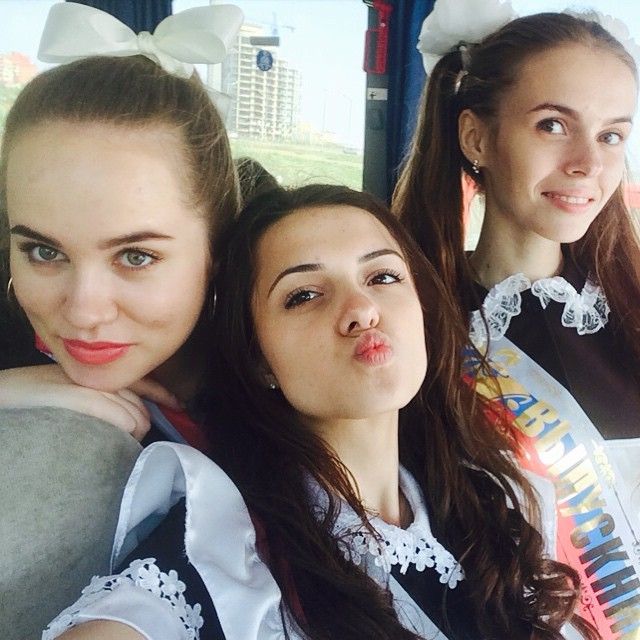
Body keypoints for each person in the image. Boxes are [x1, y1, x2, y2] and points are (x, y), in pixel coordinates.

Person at [45, 185, 594, 640]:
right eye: (304, 294)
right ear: (258, 358)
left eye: (382, 277)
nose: (362, 310)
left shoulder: (495, 502)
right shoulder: (225, 549)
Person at [393, 2, 640, 637]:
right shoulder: (410, 321)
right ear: (476, 138)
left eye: (612, 135)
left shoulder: (632, 310)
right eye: (554, 125)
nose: (588, 163)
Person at [0, 4, 243, 637]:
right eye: (44, 252)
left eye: (135, 257)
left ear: (217, 252)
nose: (84, 311)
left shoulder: (280, 381)